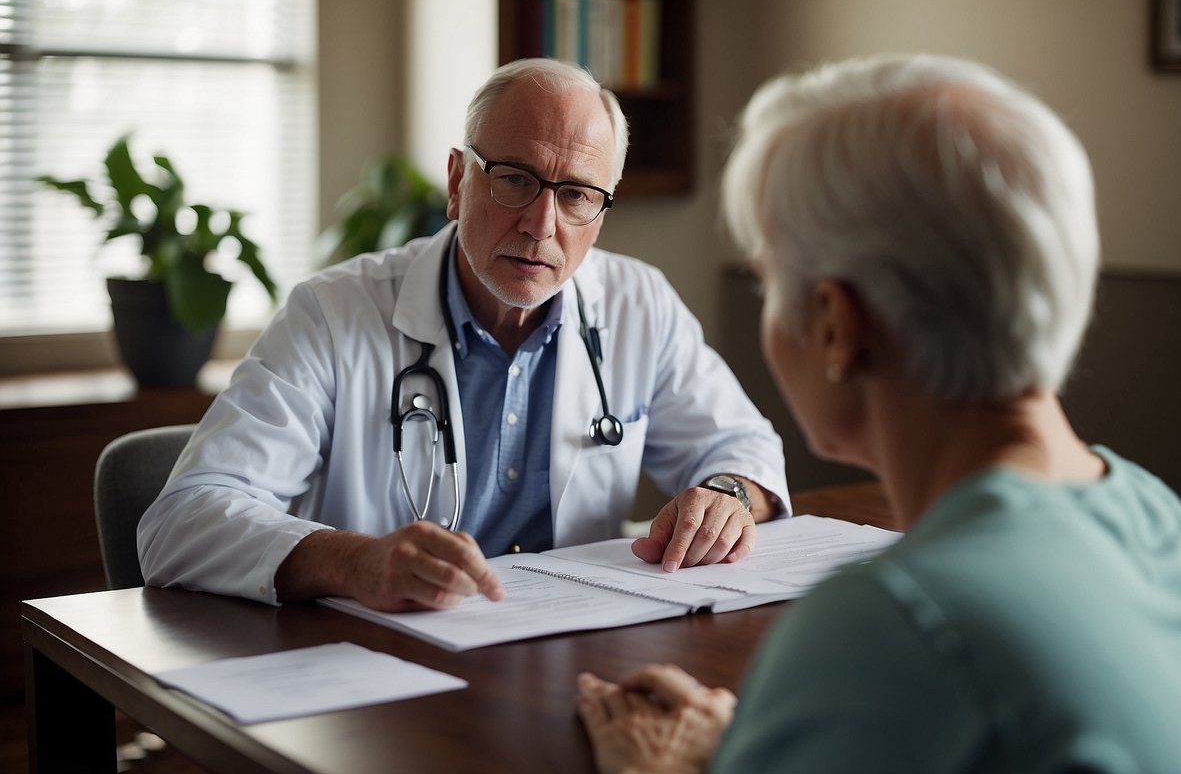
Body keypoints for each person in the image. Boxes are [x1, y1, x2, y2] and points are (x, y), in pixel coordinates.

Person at [575, 54, 1181, 773]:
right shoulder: (1154, 515)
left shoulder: (889, 622)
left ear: (834, 326)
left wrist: (652, 767)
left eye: (767, 281)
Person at [137, 58, 790, 612]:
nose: (540, 224)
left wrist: (726, 495)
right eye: (515, 180)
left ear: (601, 210)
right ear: (457, 182)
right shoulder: (332, 313)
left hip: (570, 642)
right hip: (382, 665)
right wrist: (355, 563)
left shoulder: (638, 302)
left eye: (576, 196)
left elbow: (742, 445)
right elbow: (183, 521)